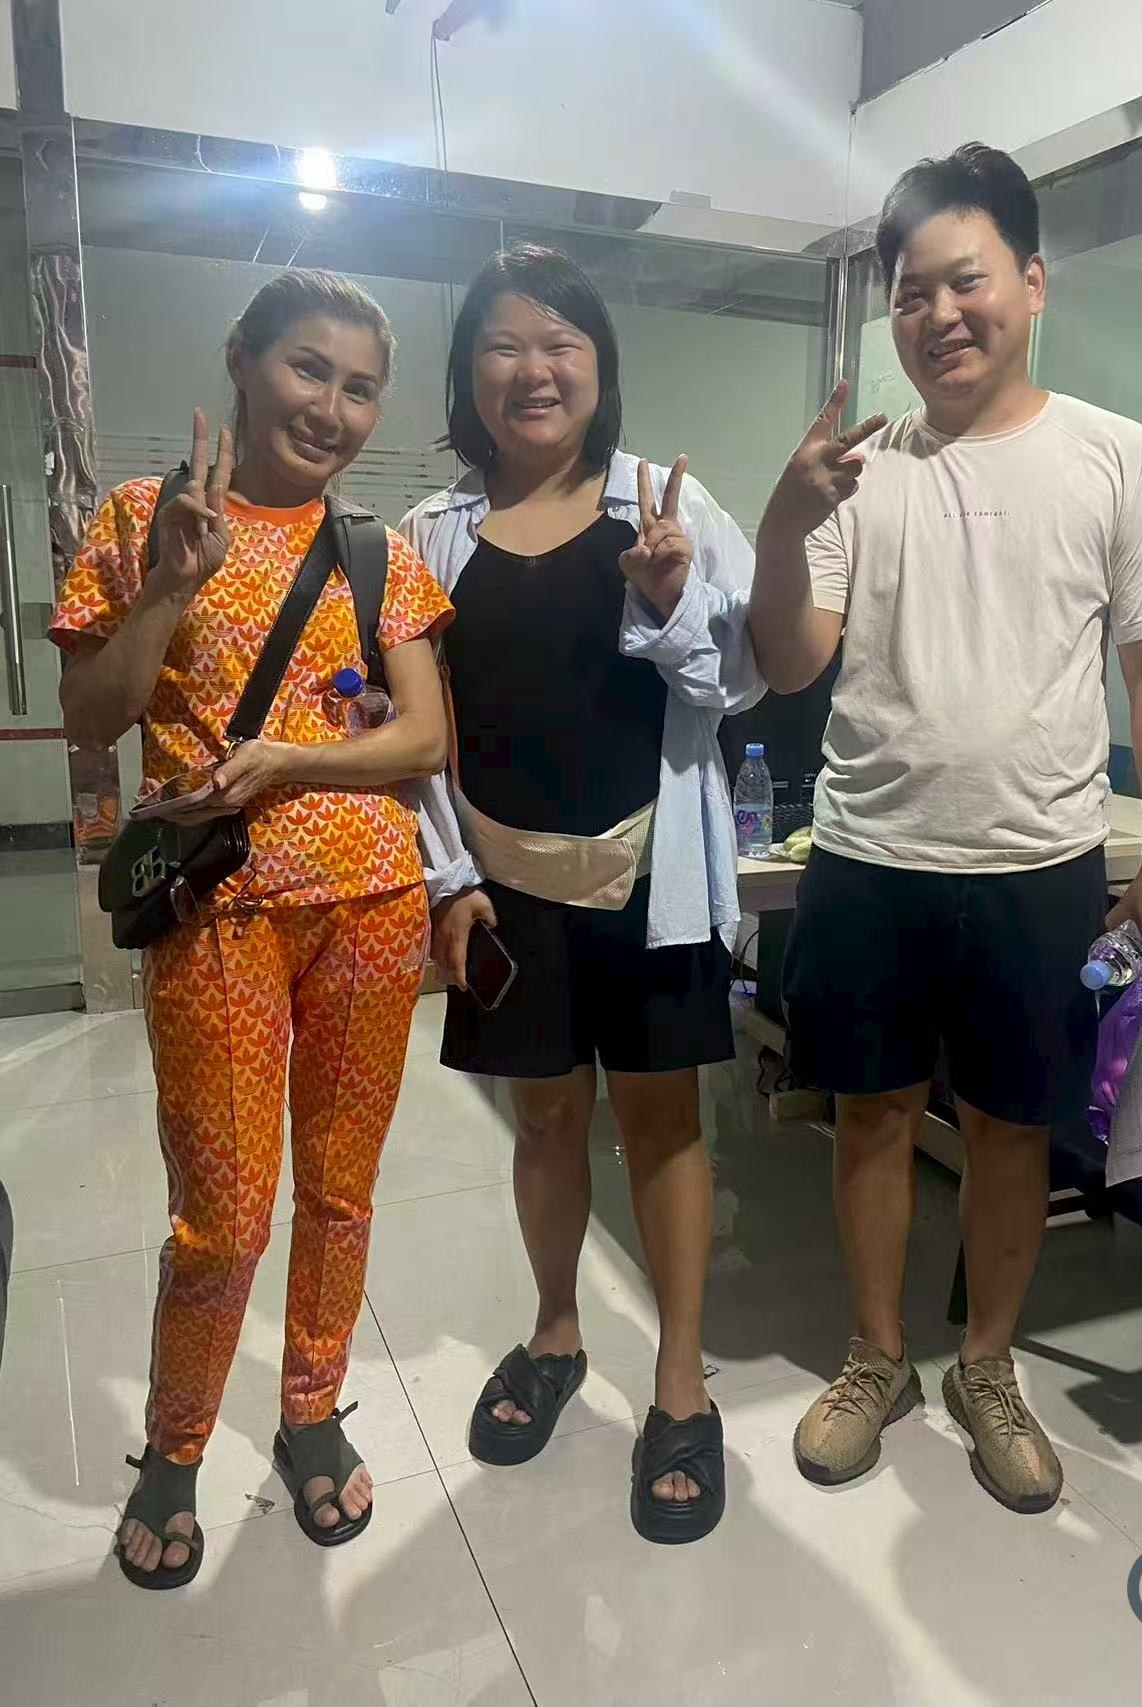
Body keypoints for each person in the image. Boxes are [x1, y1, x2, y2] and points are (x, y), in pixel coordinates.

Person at [750, 145, 1142, 1513]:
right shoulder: (858, 472)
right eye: (911, 295)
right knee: (871, 1120)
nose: (939, 316)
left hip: (1039, 864)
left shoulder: (1113, 456)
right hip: (869, 855)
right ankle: (874, 1359)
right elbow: (789, 662)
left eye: (966, 283)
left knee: (1015, 1130)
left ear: (1032, 282)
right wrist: (784, 522)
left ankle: (988, 1367)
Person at [51, 270, 453, 1588]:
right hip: (216, 915)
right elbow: (90, 718)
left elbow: (423, 737)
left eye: (360, 387)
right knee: (221, 1218)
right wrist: (170, 588)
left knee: (338, 1191)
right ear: (242, 357)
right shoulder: (137, 519)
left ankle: (310, 1407)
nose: (331, 407)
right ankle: (175, 1446)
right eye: (307, 369)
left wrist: (290, 762)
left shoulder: (377, 552)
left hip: (374, 911)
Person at [400, 243, 763, 1545]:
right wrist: (445, 881)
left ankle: (680, 1383)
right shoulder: (430, 537)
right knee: (544, 1125)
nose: (533, 368)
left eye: (561, 343)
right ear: (468, 376)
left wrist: (671, 597)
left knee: (664, 1126)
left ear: (601, 368)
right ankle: (556, 1333)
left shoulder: (665, 503)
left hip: (647, 876)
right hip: (505, 890)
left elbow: (743, 683)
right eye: (503, 344)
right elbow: (414, 736)